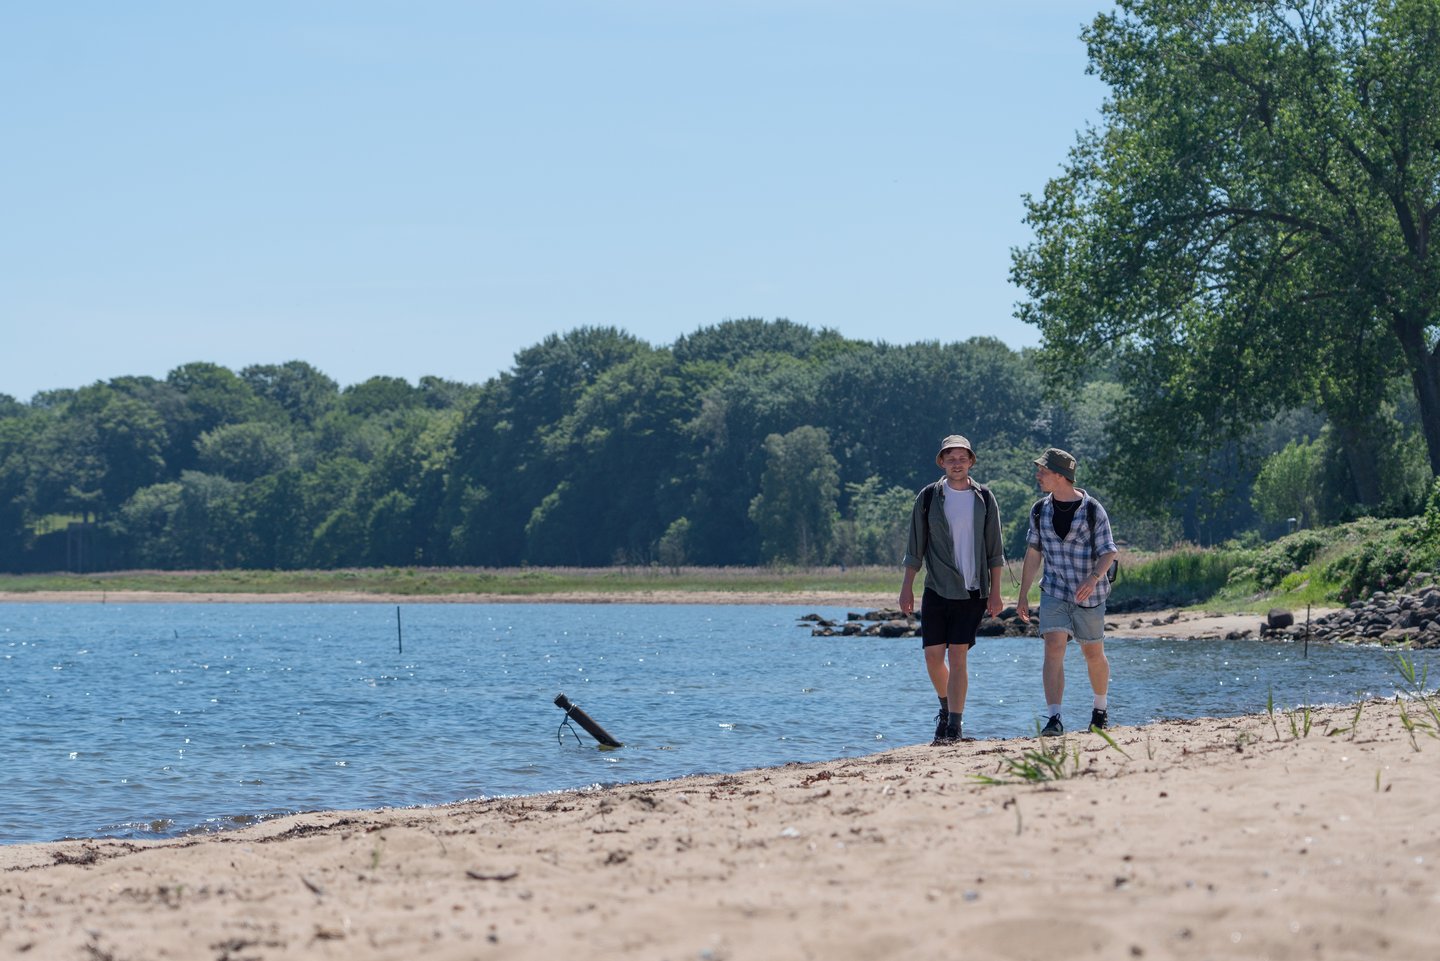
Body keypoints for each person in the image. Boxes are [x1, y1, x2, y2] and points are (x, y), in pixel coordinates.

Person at [899, 434, 1004, 745]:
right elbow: (914, 548)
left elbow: (995, 549)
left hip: (973, 590)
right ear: (941, 462)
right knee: (933, 657)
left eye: (962, 458)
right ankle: (946, 709)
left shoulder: (984, 497)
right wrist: (907, 587)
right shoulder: (928, 497)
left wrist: (996, 592)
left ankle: (954, 727)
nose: (956, 463)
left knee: (958, 655)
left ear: (970, 461)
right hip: (936, 587)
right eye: (950, 458)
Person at [1016, 447, 1120, 737]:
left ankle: (1100, 710)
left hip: (1090, 595)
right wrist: (1023, 594)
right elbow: (1033, 553)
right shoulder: (1039, 510)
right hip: (1055, 590)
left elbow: (1108, 552)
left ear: (1061, 476)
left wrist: (1094, 578)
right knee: (1053, 647)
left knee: (1093, 653)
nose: (1038, 475)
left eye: (1043, 471)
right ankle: (1054, 718)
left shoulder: (1092, 509)